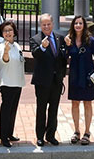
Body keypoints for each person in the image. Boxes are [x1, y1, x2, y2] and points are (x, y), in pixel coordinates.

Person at [64, 15, 94, 146]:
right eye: (76, 23)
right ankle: (76, 131)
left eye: (80, 23)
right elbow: (64, 57)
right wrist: (68, 46)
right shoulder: (69, 40)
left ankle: (87, 132)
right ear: (73, 25)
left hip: (88, 76)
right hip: (75, 76)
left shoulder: (90, 40)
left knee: (87, 103)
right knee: (75, 103)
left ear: (84, 25)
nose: (78, 26)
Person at [29, 13, 67, 147]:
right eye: (43, 24)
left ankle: (51, 135)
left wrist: (61, 74)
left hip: (56, 81)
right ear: (40, 25)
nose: (46, 26)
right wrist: (43, 47)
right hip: (42, 81)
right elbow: (35, 55)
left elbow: (63, 57)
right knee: (41, 109)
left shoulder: (60, 38)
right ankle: (40, 136)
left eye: (48, 24)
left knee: (54, 109)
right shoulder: (35, 39)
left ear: (52, 24)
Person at [0, 20, 25, 148]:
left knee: (13, 109)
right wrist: (6, 51)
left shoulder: (17, 46)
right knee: (6, 110)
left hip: (17, 82)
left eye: (10, 30)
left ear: (14, 32)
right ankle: (3, 136)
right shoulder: (2, 46)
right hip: (7, 83)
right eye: (5, 31)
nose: (8, 33)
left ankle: (10, 133)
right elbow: (4, 60)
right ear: (2, 33)